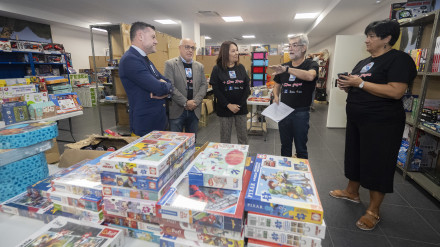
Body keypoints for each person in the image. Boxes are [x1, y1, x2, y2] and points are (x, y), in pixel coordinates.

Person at [329, 19, 417, 231]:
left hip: (382, 123)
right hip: (358, 119)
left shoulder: (399, 60)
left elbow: (396, 91)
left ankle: (373, 211)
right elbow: (363, 86)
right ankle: (352, 192)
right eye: (367, 36)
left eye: (371, 36)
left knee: (378, 164)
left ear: (387, 39)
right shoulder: (364, 62)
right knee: (355, 156)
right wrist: (349, 86)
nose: (366, 40)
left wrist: (359, 83)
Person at [269, 34, 319, 159]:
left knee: (301, 148)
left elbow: (310, 76)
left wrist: (288, 70)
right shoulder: (284, 66)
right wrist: (276, 96)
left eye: (294, 45)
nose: (290, 48)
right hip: (284, 111)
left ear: (304, 48)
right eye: (289, 45)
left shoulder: (310, 64)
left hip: (301, 112)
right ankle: (285, 172)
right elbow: (277, 84)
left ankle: (301, 176)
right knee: (285, 146)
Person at [119, 22, 172, 136]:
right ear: (140, 36)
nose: (156, 41)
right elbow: (160, 87)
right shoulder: (130, 60)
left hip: (157, 123)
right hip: (145, 127)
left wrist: (165, 87)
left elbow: (167, 82)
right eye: (153, 37)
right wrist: (164, 87)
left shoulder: (143, 59)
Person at [210, 41, 250, 144]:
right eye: (233, 51)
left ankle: (243, 157)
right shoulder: (217, 69)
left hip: (241, 109)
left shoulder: (241, 68)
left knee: (243, 137)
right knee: (225, 138)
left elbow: (247, 87)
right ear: (225, 53)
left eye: (237, 50)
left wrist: (239, 105)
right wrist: (228, 105)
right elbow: (216, 90)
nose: (237, 53)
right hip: (224, 109)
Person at [164, 38, 207, 135]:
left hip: (194, 110)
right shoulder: (170, 64)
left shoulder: (199, 66)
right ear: (179, 48)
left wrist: (195, 102)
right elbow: (170, 86)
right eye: (187, 47)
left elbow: (204, 85)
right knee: (175, 142)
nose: (190, 50)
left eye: (193, 48)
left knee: (192, 142)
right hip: (177, 110)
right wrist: (185, 102)